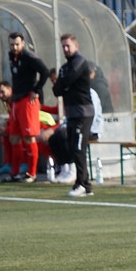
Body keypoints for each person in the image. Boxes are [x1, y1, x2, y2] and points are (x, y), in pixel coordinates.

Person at [51, 33, 95, 197]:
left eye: (68, 46)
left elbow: (67, 80)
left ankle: (81, 184)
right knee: (71, 146)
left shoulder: (80, 61)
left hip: (83, 113)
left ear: (76, 46)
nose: (65, 49)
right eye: (63, 46)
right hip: (72, 113)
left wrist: (64, 84)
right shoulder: (65, 67)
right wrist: (63, 84)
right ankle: (86, 185)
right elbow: (57, 90)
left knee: (78, 148)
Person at [6, 32, 50, 182]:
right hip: (16, 99)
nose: (14, 47)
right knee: (14, 137)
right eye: (12, 44)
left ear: (23, 43)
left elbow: (45, 71)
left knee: (29, 137)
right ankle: (15, 172)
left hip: (28, 100)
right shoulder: (11, 56)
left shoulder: (29, 57)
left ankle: (32, 173)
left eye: (17, 44)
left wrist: (36, 90)